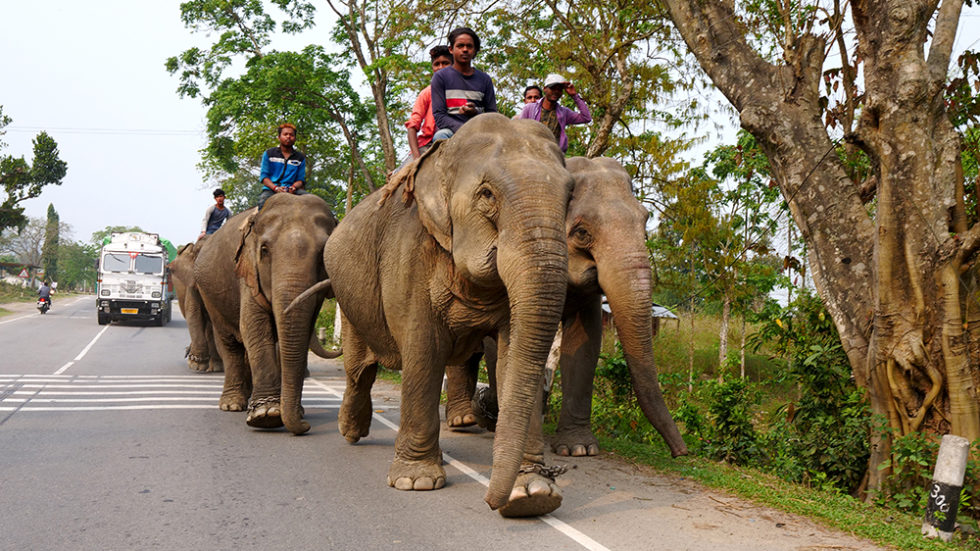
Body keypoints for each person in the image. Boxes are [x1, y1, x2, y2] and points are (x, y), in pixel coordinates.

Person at [430, 27, 497, 142]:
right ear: (451, 49)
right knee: (440, 136)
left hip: (480, 130)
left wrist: (475, 112)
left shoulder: (485, 79)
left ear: (475, 50)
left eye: (469, 46)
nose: (465, 50)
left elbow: (492, 114)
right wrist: (464, 130)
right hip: (452, 132)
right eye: (460, 46)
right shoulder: (440, 77)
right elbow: (439, 116)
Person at [518, 73, 591, 153]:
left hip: (554, 155)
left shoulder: (564, 112)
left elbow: (586, 118)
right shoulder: (530, 108)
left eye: (559, 89)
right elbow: (520, 131)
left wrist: (574, 96)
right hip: (533, 153)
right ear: (545, 89)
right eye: (553, 88)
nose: (556, 92)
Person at [405, 45, 453, 160]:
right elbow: (412, 125)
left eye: (445, 63)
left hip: (458, 137)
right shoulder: (426, 93)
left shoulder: (462, 89)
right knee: (399, 175)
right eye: (437, 64)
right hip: (428, 144)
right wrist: (416, 157)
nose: (441, 67)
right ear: (432, 67)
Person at [258, 123, 307, 210]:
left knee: (312, 201)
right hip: (271, 190)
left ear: (295, 138)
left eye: (291, 135)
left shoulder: (300, 158)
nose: (288, 137)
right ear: (279, 137)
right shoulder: (269, 154)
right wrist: (276, 188)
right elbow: (264, 177)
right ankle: (255, 222)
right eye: (285, 134)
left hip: (293, 191)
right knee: (263, 203)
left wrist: (293, 187)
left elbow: (300, 180)